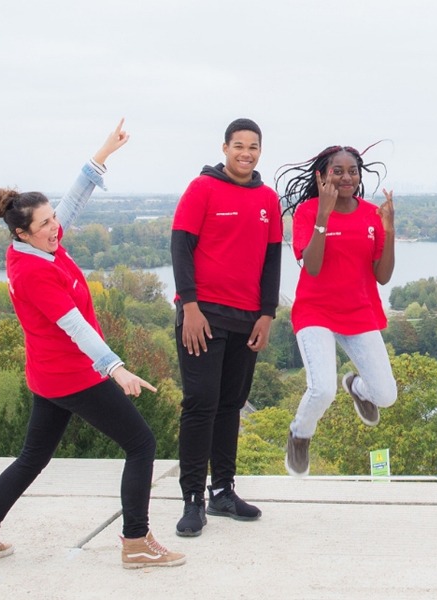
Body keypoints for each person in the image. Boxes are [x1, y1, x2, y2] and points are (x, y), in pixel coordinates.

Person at [0, 120, 184, 569]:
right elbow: (76, 327)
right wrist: (116, 368)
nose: (54, 227)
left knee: (32, 458)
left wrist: (103, 153)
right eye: (45, 224)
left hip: (49, 375)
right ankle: (135, 541)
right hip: (73, 376)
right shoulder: (34, 272)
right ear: (22, 233)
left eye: (52, 219)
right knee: (142, 443)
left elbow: (73, 202)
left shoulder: (36, 246)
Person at [171, 118, 282, 536]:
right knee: (200, 403)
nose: (246, 153)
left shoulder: (267, 199)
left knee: (230, 405)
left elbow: (272, 259)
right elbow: (180, 247)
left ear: (260, 151)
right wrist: (190, 306)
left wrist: (267, 314)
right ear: (225, 148)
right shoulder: (202, 188)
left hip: (247, 318)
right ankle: (192, 499)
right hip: (203, 315)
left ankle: (222, 491)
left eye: (253, 147)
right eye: (239, 146)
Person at [275, 145, 398, 477]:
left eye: (352, 171)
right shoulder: (307, 212)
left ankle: (357, 387)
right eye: (338, 171)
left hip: (359, 312)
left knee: (386, 395)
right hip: (315, 312)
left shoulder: (371, 214)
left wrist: (389, 230)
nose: (347, 178)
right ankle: (300, 434)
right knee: (322, 389)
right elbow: (312, 267)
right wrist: (323, 216)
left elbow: (383, 276)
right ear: (322, 176)